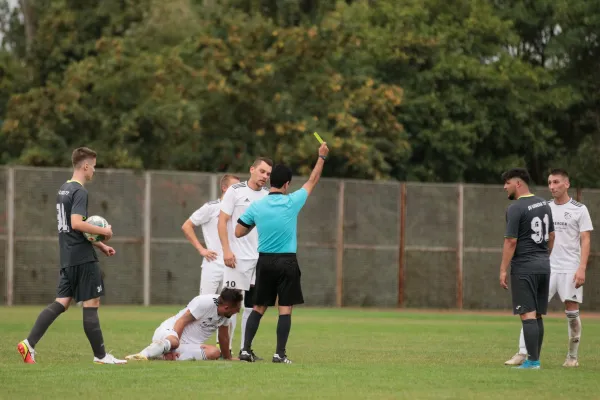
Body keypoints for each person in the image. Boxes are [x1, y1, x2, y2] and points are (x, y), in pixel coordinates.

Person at [16, 147, 126, 365]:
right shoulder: (80, 191)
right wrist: (105, 232)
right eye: (93, 166)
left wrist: (101, 245)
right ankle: (101, 356)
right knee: (91, 303)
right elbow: (77, 223)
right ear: (85, 166)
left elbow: (72, 229)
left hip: (68, 256)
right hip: (83, 259)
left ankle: (29, 343)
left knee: (62, 303)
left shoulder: (63, 190)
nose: (94, 171)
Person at [235, 142, 329, 364]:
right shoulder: (292, 202)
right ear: (286, 184)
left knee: (258, 307)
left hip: (264, 261)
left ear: (270, 181)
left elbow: (239, 231)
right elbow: (312, 180)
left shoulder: (257, 206)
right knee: (284, 309)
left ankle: (246, 350)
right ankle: (279, 354)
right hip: (287, 262)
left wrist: (256, 223)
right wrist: (321, 157)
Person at [505, 168, 593, 368]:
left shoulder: (580, 209)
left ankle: (572, 356)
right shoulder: (543, 206)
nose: (552, 187)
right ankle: (523, 352)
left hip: (570, 267)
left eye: (556, 182)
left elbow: (585, 240)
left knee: (571, 311)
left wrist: (582, 268)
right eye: (550, 183)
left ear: (566, 184)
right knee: (530, 308)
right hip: (547, 266)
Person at [499, 168, 555, 370]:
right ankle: (534, 359)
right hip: (543, 265)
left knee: (528, 315)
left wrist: (503, 269)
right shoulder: (544, 204)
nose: (505, 187)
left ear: (518, 183)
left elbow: (511, 241)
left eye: (507, 183)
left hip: (524, 267)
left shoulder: (515, 208)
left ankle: (532, 362)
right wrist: (543, 256)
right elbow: (552, 236)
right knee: (537, 314)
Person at [218, 158, 272, 359]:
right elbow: (222, 221)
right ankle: (227, 350)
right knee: (230, 306)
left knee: (252, 305)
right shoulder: (235, 191)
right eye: (262, 171)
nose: (265, 177)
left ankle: (245, 350)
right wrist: (226, 250)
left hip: (261, 259)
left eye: (268, 174)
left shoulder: (268, 195)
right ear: (252, 170)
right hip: (237, 258)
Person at [181, 174, 240, 353]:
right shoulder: (211, 207)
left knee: (234, 306)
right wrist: (202, 249)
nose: (237, 192)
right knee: (202, 305)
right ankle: (190, 343)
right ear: (224, 188)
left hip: (233, 265)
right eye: (234, 187)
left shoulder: (240, 210)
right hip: (212, 264)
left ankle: (226, 348)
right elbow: (187, 226)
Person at [125, 288, 243, 362]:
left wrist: (228, 358)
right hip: (171, 332)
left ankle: (163, 356)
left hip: (187, 344)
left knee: (215, 352)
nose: (238, 311)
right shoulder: (204, 302)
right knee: (175, 341)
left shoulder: (226, 315)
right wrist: (174, 347)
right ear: (227, 307)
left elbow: (223, 337)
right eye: (237, 309)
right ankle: (142, 355)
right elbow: (181, 321)